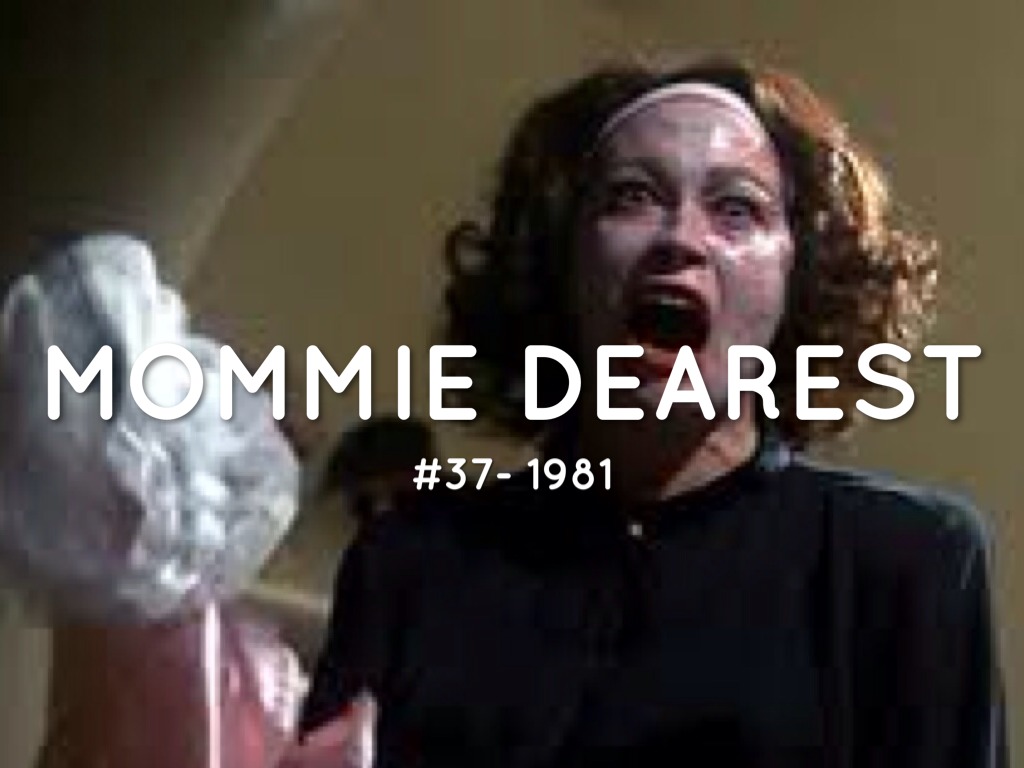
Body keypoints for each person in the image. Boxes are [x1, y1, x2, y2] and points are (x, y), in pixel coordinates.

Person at [293, 55, 1007, 767]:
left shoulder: (904, 565)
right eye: (632, 196)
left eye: (737, 209)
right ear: (562, 261)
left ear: (801, 277)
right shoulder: (412, 561)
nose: (679, 240)